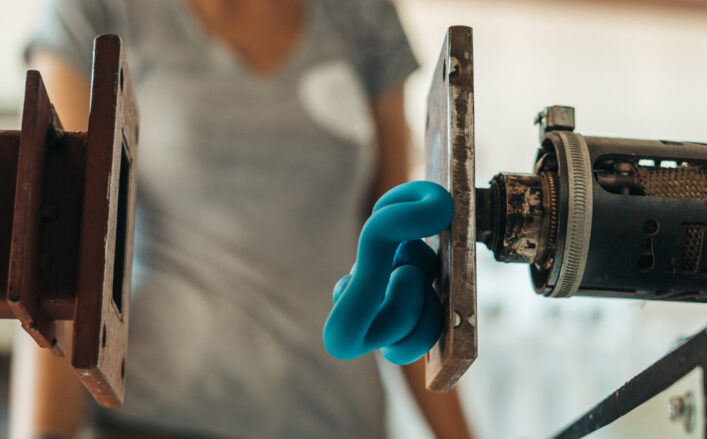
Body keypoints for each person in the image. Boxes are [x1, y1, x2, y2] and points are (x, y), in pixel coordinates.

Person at [12, 0, 473, 437]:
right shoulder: (100, 10)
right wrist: (45, 433)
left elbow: (408, 263)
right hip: (154, 419)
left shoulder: (362, 15)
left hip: (340, 421)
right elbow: (59, 261)